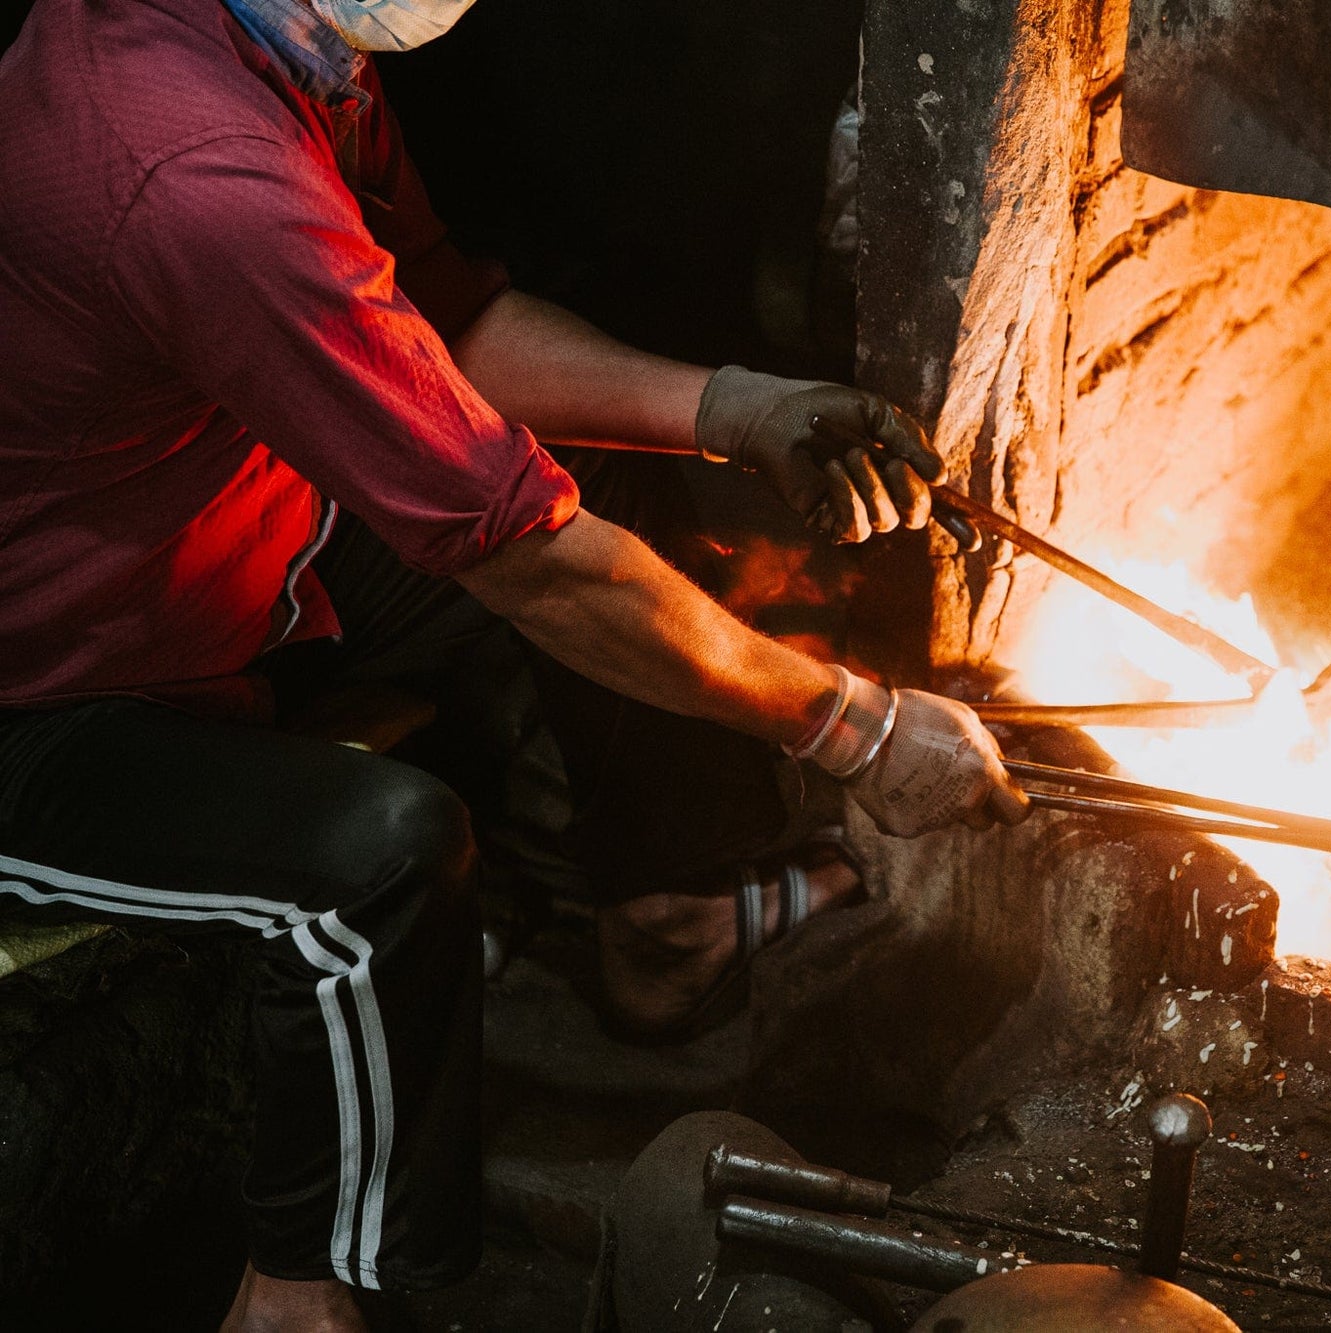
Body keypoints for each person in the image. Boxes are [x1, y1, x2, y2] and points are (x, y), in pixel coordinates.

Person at [0, 0, 1028, 1326]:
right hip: (48, 693)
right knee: (377, 862)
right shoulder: (192, 164)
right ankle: (297, 1294)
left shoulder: (288, 43)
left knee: (599, 482)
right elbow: (531, 560)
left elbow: (441, 327)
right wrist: (855, 729)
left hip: (221, 549)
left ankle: (656, 916)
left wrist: (730, 408)